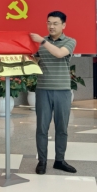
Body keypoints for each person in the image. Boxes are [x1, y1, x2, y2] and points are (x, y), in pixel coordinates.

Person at [30, 11, 77, 175]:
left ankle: (59, 161)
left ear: (63, 25)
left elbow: (59, 53)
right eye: (49, 23)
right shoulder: (40, 43)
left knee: (62, 128)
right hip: (43, 89)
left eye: (55, 23)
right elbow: (34, 61)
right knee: (41, 128)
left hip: (62, 90)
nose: (51, 26)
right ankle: (42, 161)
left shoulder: (70, 41)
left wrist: (42, 42)